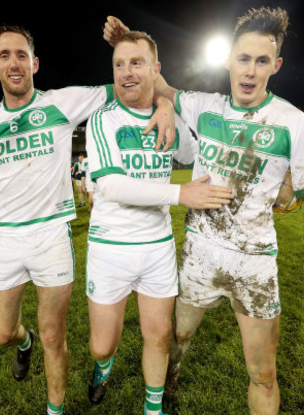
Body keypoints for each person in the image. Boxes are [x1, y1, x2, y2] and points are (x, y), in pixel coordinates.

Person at [0, 25, 176, 415]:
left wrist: (164, 104)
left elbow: (137, 85)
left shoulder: (64, 102)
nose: (15, 63)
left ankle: (54, 410)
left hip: (51, 236)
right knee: (3, 333)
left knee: (53, 335)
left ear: (35, 63)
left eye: (22, 55)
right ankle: (21, 344)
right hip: (5, 239)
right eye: (5, 56)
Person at [104, 8, 304, 415]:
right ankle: (172, 374)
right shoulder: (205, 106)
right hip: (198, 256)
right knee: (178, 337)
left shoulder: (294, 123)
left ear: (275, 66)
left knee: (263, 375)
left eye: (261, 62)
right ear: (228, 61)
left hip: (254, 267)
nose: (250, 71)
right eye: (243, 59)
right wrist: (127, 43)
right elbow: (159, 84)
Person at [85, 30, 233, 415]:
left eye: (136, 63)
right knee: (102, 344)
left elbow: (197, 154)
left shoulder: (169, 115)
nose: (126, 72)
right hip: (110, 248)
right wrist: (180, 194)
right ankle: (104, 366)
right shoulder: (102, 119)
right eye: (119, 64)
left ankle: (153, 409)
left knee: (159, 337)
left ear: (155, 69)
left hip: (156, 248)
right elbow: (113, 186)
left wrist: (167, 104)